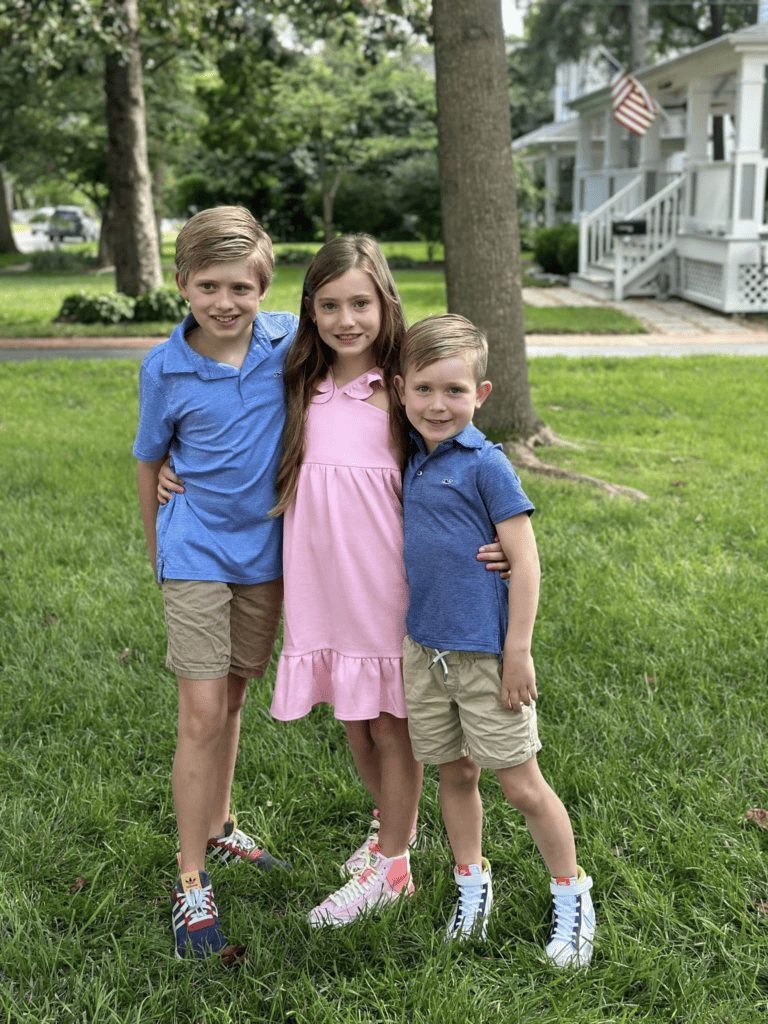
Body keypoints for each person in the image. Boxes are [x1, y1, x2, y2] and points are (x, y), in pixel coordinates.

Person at [157, 233, 511, 931]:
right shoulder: (297, 376)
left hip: (386, 583)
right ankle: (389, 832)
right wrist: (173, 460)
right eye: (330, 305)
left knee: (391, 723)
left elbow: (464, 464)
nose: (347, 319)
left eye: (361, 303)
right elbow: (219, 386)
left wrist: (502, 539)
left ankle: (393, 864)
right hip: (320, 583)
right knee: (353, 716)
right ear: (309, 311)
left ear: (386, 303)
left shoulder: (405, 388)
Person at [393, 313, 596, 967]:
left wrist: (517, 652)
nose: (437, 404)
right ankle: (472, 887)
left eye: (454, 391)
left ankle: (573, 897)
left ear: (481, 394)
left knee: (521, 785)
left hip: (485, 655)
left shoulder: (487, 466)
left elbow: (526, 561)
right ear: (400, 390)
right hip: (425, 652)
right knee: (454, 774)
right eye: (423, 389)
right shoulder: (404, 458)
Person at [134, 206, 295, 961]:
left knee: (233, 696)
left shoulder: (291, 341)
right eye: (208, 286)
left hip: (265, 555)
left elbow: (374, 346)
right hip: (194, 550)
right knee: (200, 711)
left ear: (264, 288)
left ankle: (222, 826)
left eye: (241, 287)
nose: (225, 302)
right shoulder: (163, 367)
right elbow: (148, 460)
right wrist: (157, 556)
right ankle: (189, 877)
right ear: (181, 285)